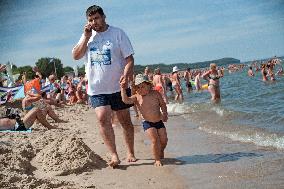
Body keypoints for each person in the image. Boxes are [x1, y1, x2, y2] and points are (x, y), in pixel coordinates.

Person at [72, 5, 136, 167]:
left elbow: (129, 59)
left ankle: (130, 152)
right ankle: (114, 155)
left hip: (118, 86)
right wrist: (86, 37)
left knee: (125, 121)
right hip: (97, 89)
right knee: (102, 119)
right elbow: (76, 56)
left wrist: (126, 75)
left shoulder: (117, 33)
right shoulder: (87, 36)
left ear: (104, 17)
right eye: (91, 20)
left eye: (97, 18)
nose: (94, 22)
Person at [120, 74, 168, 166]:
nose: (140, 89)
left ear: (149, 86)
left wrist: (165, 113)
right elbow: (125, 100)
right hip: (148, 123)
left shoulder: (156, 94)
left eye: (143, 86)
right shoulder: (137, 97)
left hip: (159, 121)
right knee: (155, 140)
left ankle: (161, 150)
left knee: (164, 140)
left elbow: (163, 104)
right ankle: (157, 159)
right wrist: (122, 88)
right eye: (138, 87)